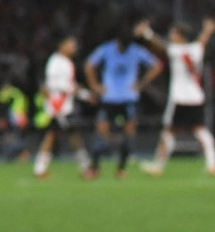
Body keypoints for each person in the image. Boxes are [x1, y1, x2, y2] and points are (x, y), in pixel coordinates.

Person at [136, 17, 215, 176]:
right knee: (200, 130)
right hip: (196, 96)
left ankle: (158, 165)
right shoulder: (196, 49)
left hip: (179, 98)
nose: (171, 36)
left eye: (173, 33)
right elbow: (202, 41)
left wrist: (147, 33)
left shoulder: (177, 50)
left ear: (180, 36)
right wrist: (208, 30)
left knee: (168, 132)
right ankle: (212, 163)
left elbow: (162, 46)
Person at [82, 28, 162, 179]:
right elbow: (89, 65)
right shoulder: (107, 49)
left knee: (128, 134)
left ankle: (121, 168)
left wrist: (142, 84)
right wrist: (95, 85)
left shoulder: (135, 50)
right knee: (102, 132)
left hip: (128, 98)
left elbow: (157, 65)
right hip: (110, 98)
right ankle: (95, 167)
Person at [33, 35, 91, 178]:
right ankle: (85, 167)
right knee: (73, 135)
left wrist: (83, 93)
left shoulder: (66, 62)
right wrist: (82, 94)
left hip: (63, 105)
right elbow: (55, 84)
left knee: (53, 135)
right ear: (62, 45)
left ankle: (40, 168)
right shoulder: (56, 62)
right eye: (71, 45)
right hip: (59, 106)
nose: (74, 48)